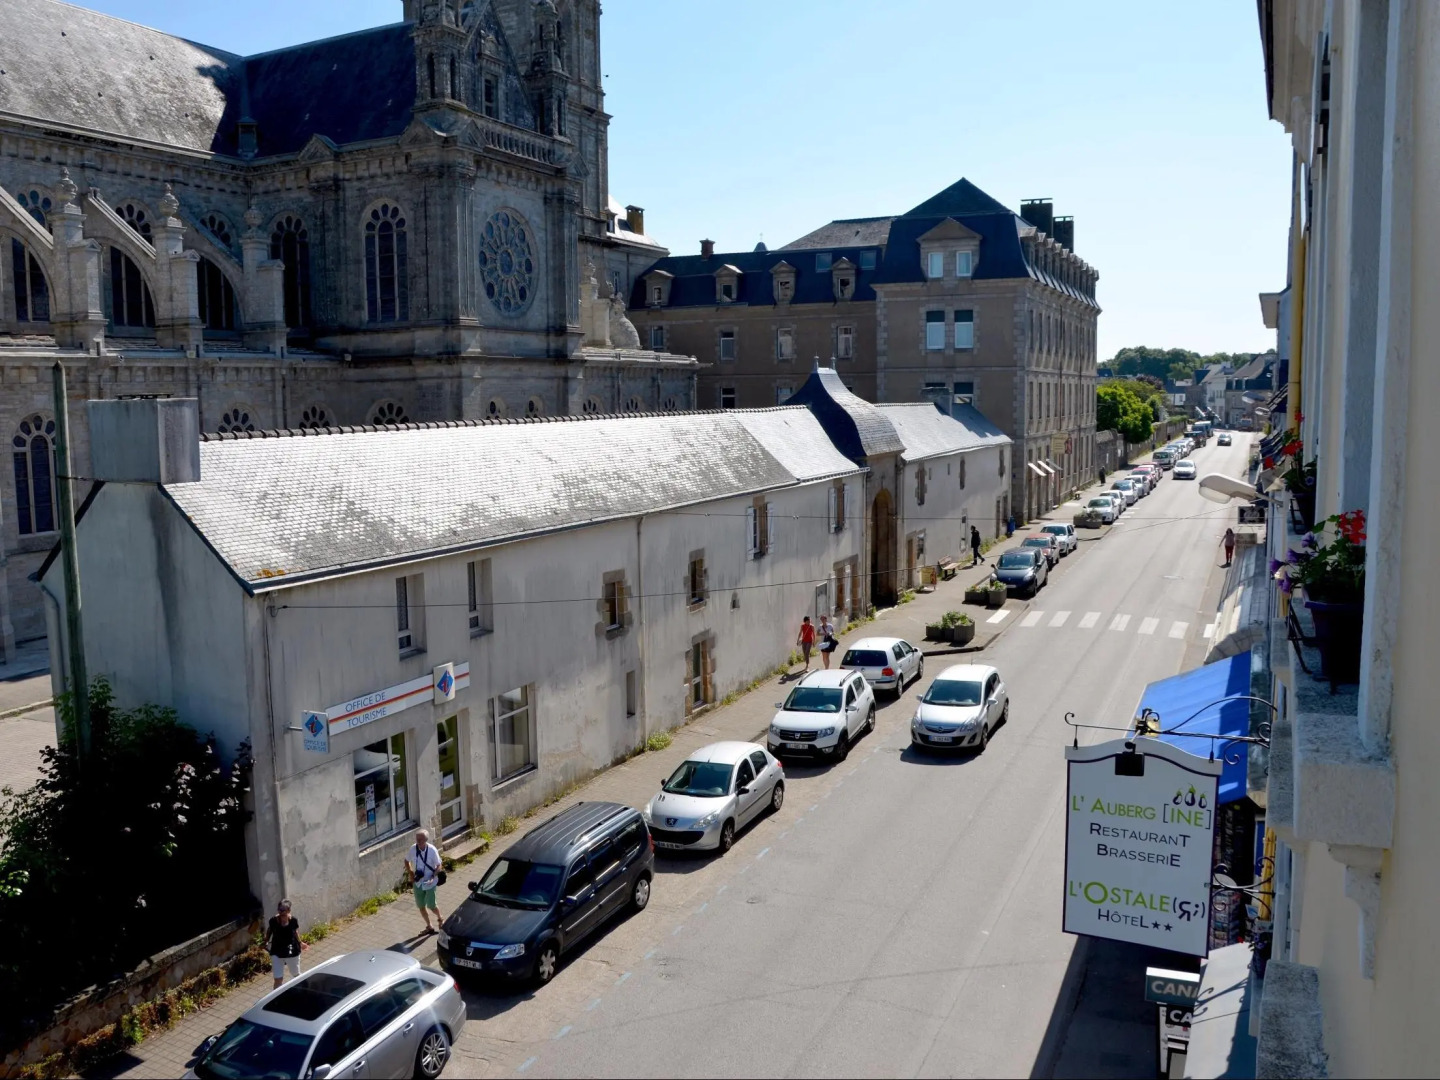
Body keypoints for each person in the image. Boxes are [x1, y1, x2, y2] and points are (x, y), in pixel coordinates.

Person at [405, 829, 444, 935]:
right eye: (417, 838)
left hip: (430, 882)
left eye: (420, 839)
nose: (418, 841)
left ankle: (440, 918)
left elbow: (439, 865)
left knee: (431, 905)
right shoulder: (413, 848)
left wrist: (433, 876)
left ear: (426, 839)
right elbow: (406, 860)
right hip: (418, 882)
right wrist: (411, 873)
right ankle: (429, 926)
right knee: (421, 905)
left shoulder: (432, 850)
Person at [262, 899, 307, 988]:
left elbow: (295, 932)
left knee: (296, 974)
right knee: (278, 979)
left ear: (289, 911)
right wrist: (266, 941)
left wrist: (300, 942)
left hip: (291, 950)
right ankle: (276, 999)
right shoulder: (273, 920)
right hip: (276, 951)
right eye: (280, 909)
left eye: (284, 910)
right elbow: (270, 930)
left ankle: (303, 988)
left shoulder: (293, 921)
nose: (281, 912)